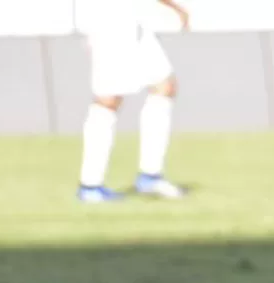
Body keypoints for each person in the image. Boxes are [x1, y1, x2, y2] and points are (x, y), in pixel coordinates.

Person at [75, 0, 190, 203]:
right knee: (108, 99)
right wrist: (174, 7)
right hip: (109, 20)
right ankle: (90, 185)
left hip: (130, 19)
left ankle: (150, 175)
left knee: (164, 86)